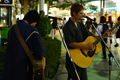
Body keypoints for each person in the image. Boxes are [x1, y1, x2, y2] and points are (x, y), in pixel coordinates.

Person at [63, 3, 111, 80]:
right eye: (80, 13)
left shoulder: (80, 24)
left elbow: (91, 37)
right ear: (74, 13)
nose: (82, 15)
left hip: (82, 59)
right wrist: (86, 46)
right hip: (73, 59)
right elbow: (70, 43)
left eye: (83, 13)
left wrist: (103, 35)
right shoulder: (68, 26)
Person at [1, 10, 46, 80]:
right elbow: (40, 51)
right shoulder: (31, 29)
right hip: (21, 70)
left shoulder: (12, 28)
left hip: (8, 70)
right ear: (34, 23)